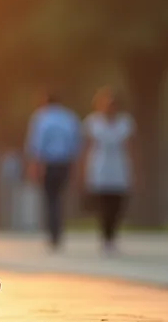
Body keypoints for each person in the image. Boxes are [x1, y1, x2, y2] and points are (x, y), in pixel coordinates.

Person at [77, 87, 134, 255]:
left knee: (117, 206)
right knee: (103, 205)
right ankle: (105, 237)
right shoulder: (92, 123)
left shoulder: (125, 123)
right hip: (99, 168)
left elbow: (131, 147)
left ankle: (112, 235)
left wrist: (135, 169)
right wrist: (82, 169)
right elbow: (86, 147)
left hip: (119, 168)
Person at [24, 91, 82, 250]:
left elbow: (36, 143)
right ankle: (58, 229)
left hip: (47, 163)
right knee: (59, 197)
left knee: (50, 198)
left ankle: (53, 232)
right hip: (64, 162)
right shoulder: (69, 117)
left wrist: (34, 165)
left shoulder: (41, 117)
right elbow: (75, 142)